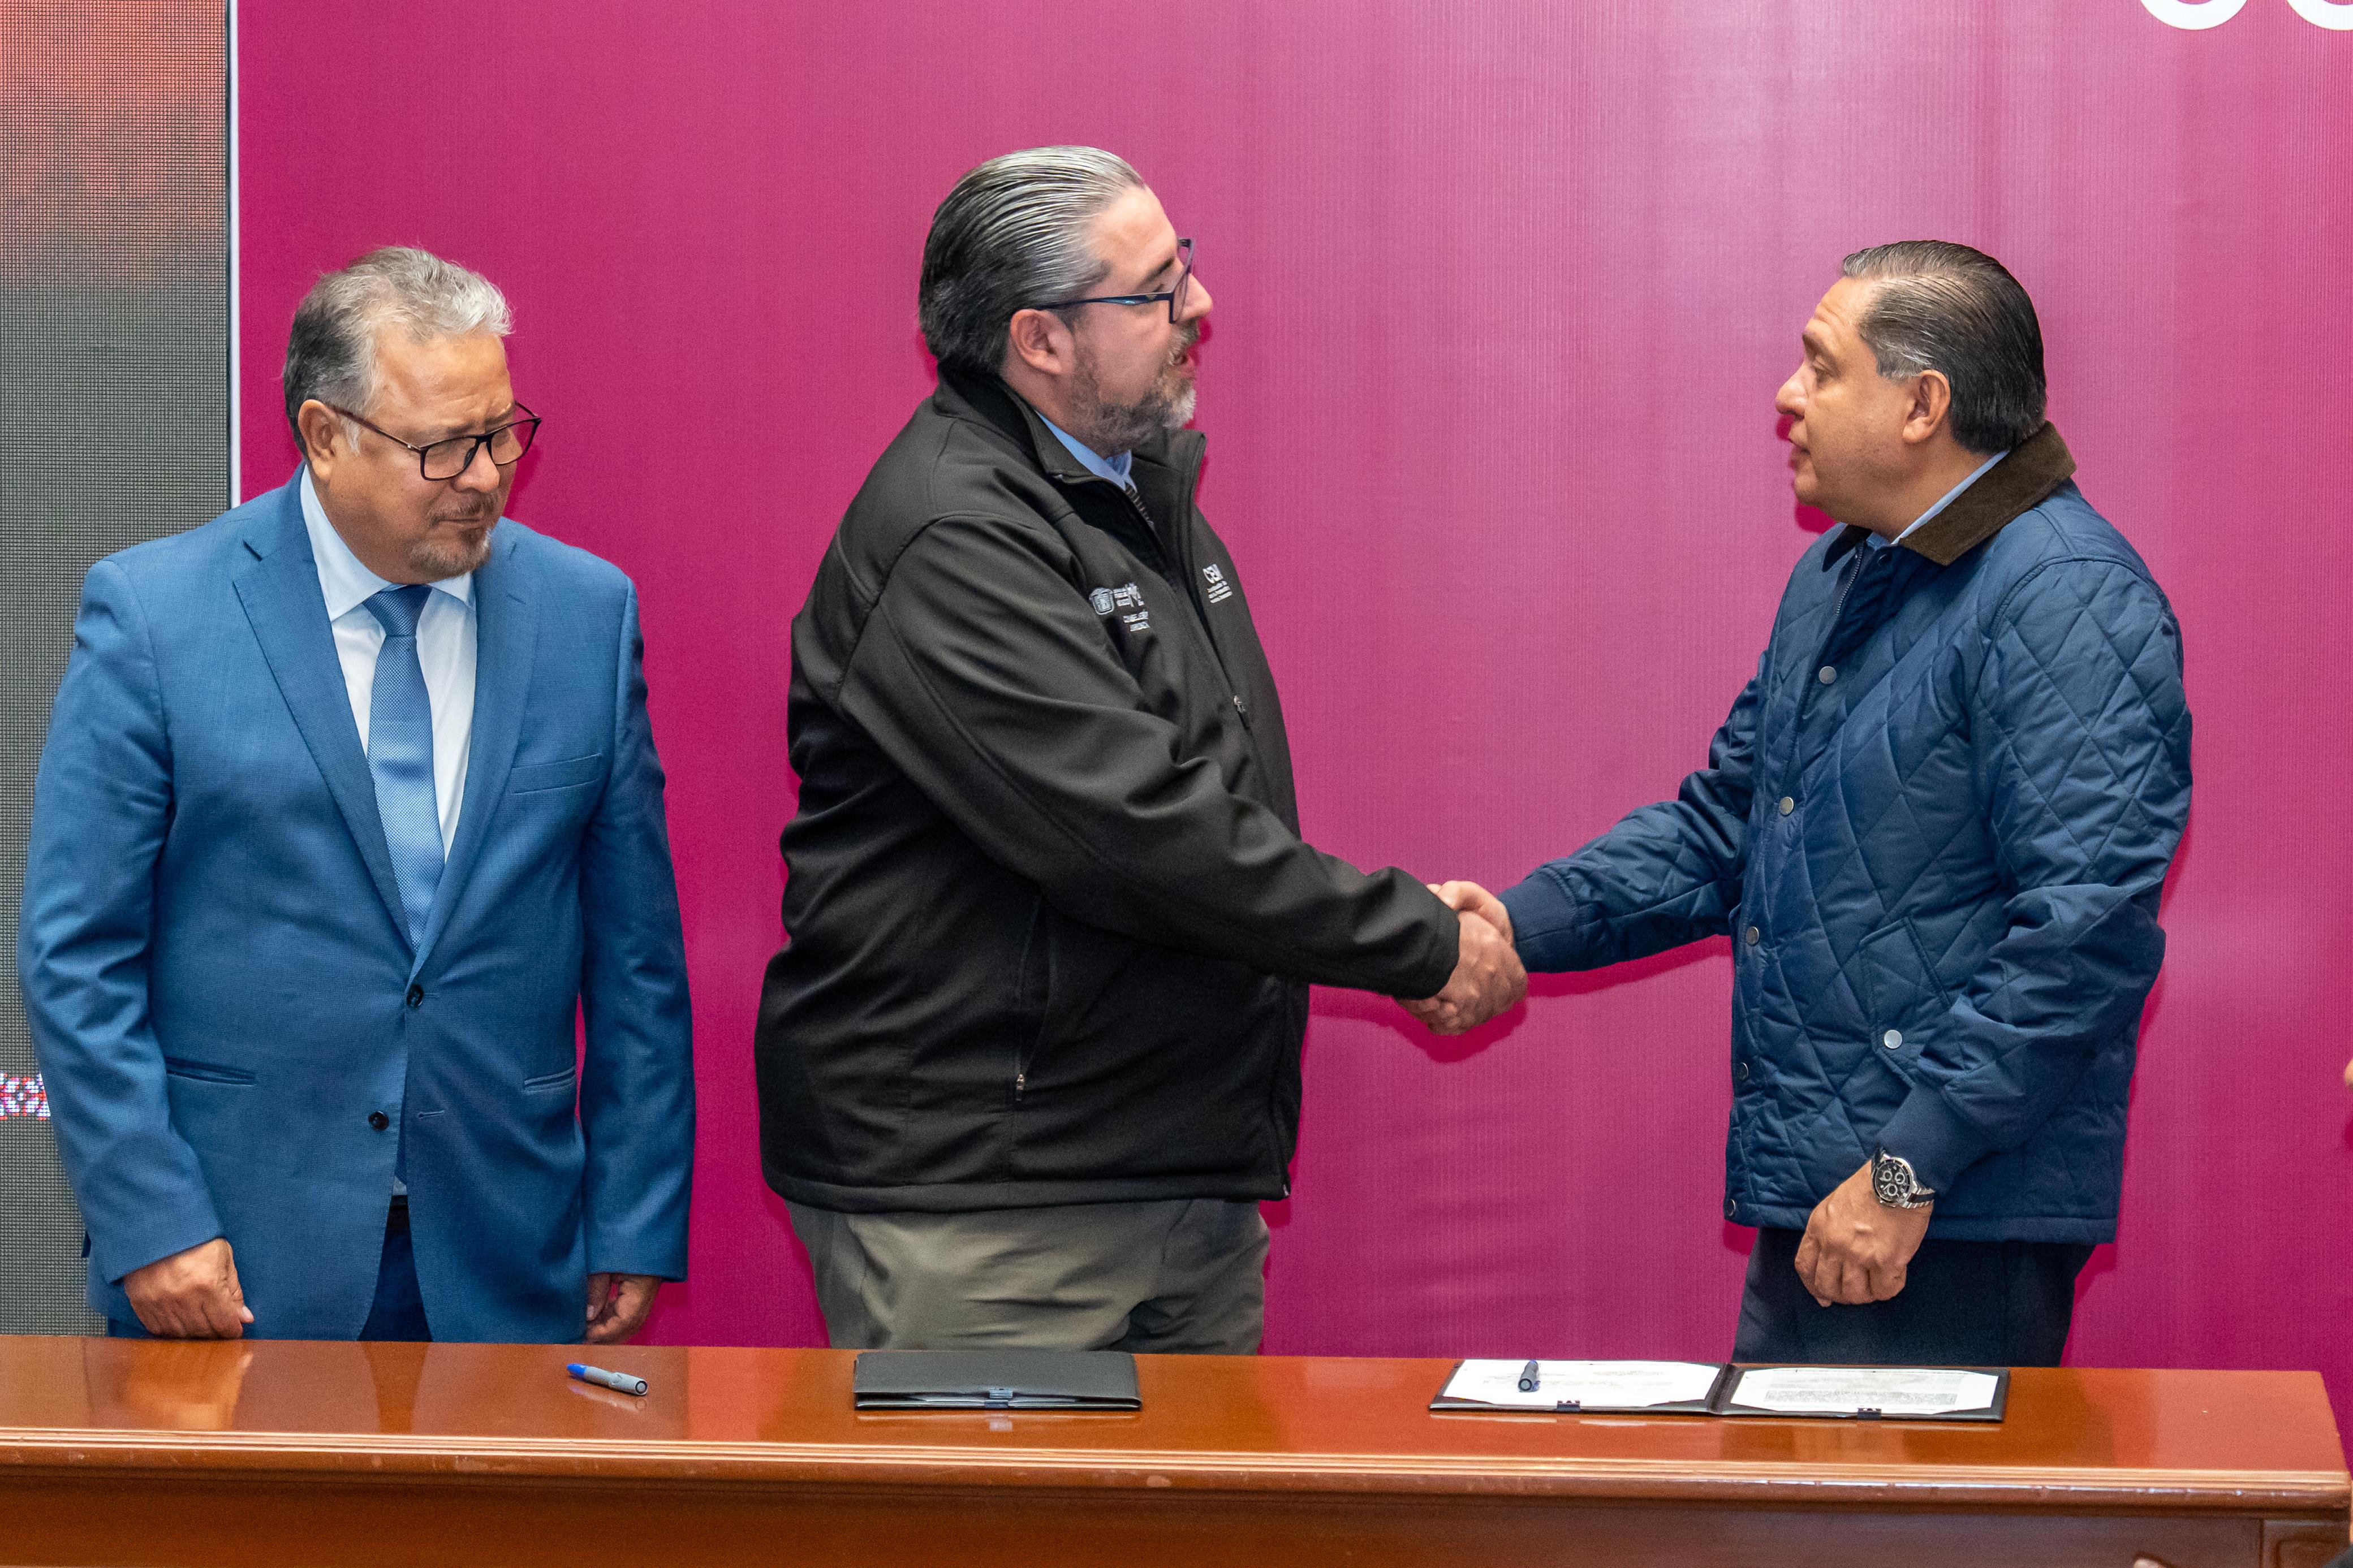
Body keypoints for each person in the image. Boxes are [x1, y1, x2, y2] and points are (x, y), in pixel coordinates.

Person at [756, 147, 1523, 1354]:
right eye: (1156, 289)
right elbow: (1139, 831)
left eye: (1186, 266)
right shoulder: (956, 535)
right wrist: (1417, 941)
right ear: (1040, 340)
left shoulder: (1128, 493)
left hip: (1168, 1169)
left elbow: (1203, 805)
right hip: (994, 1204)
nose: (1199, 306)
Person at [1466, 242, 2190, 1367]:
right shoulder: (1845, 574)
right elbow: (1727, 829)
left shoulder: (2067, 595)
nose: (1786, 396)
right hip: (1828, 1196)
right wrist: (1507, 924)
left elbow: (2083, 937)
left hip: (1938, 1217)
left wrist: (1907, 1169)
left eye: (1820, 366)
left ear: (1921, 405)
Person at [19, 247, 695, 1343]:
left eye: (502, 431)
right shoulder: (156, 617)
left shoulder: (586, 615)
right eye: (444, 446)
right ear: (325, 436)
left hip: (508, 1251)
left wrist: (632, 1214)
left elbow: (637, 961)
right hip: (233, 1260)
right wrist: (150, 1218)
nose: (485, 474)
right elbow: (76, 952)